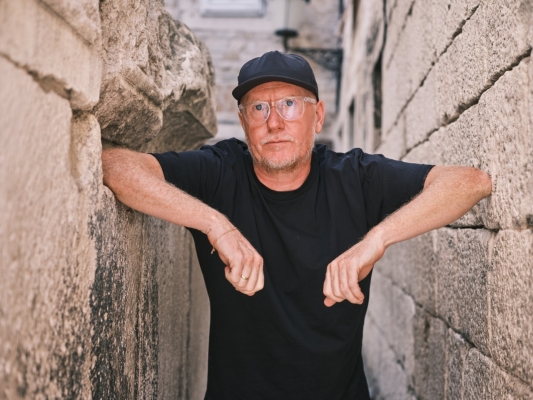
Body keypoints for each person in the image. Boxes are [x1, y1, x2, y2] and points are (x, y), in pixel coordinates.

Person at [102, 51, 492, 399]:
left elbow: (469, 183)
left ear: (317, 116)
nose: (273, 122)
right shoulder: (220, 172)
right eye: (258, 108)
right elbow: (115, 166)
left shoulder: (354, 177)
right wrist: (213, 223)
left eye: (289, 104)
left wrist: (377, 239)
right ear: (243, 121)